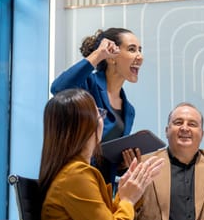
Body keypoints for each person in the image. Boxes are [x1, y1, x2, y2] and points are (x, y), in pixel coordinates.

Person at [38, 88, 165, 220]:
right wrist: (127, 200)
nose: (102, 119)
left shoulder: (74, 173)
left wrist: (126, 193)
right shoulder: (76, 176)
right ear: (86, 125)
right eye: (99, 114)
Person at [51, 28, 144, 186]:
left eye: (140, 50)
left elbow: (108, 158)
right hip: (73, 182)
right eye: (132, 49)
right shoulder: (87, 85)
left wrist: (124, 165)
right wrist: (98, 54)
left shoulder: (129, 110)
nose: (140, 57)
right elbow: (59, 89)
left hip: (101, 188)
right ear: (111, 57)